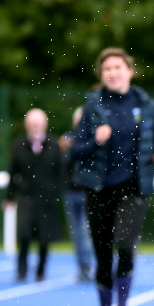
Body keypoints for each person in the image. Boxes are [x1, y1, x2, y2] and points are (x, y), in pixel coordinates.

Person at [71, 47, 154, 306]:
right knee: (102, 255)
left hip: (133, 187)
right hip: (99, 188)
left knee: (124, 245)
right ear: (102, 76)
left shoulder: (144, 103)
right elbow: (73, 151)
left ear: (130, 70)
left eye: (117, 67)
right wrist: (93, 140)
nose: (112, 73)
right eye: (106, 70)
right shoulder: (92, 106)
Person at [4, 109, 62, 282]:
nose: (35, 127)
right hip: (26, 196)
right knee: (24, 235)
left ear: (45, 125)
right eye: (32, 124)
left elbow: (60, 172)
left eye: (38, 124)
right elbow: (13, 173)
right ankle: (21, 270)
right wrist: (8, 197)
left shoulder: (54, 145)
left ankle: (41, 271)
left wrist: (54, 191)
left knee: (45, 237)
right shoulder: (18, 145)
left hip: (47, 198)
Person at [59, 107, 94, 283]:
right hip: (71, 192)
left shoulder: (93, 140)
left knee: (85, 232)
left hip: (87, 191)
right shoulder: (68, 141)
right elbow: (64, 164)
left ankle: (88, 266)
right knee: (76, 234)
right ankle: (82, 267)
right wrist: (66, 150)